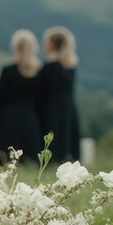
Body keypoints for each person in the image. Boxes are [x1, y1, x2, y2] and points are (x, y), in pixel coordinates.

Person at [0, 29, 43, 164]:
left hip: (8, 116)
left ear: (15, 47)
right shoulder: (39, 71)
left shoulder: (8, 71)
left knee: (7, 155)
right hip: (29, 115)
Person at [39, 26, 81, 162]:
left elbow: (42, 90)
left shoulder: (50, 66)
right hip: (69, 106)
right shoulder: (71, 65)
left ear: (52, 44)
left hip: (51, 107)